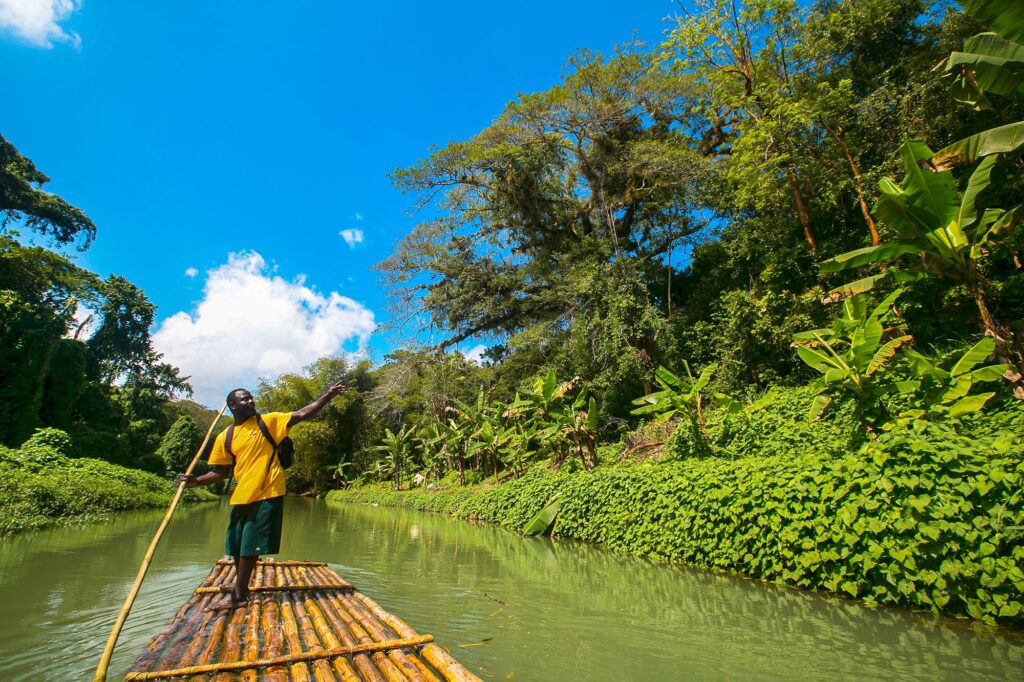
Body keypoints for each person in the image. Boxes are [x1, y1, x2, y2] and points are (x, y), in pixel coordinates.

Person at [178, 381, 346, 611]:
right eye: (244, 399)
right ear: (232, 406)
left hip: (269, 491)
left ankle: (238, 597)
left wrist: (328, 395)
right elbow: (220, 472)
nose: (250, 401)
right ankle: (241, 586)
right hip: (241, 495)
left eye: (250, 397)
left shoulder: (268, 421)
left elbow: (302, 413)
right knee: (236, 545)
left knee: (249, 546)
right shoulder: (225, 436)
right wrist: (195, 481)